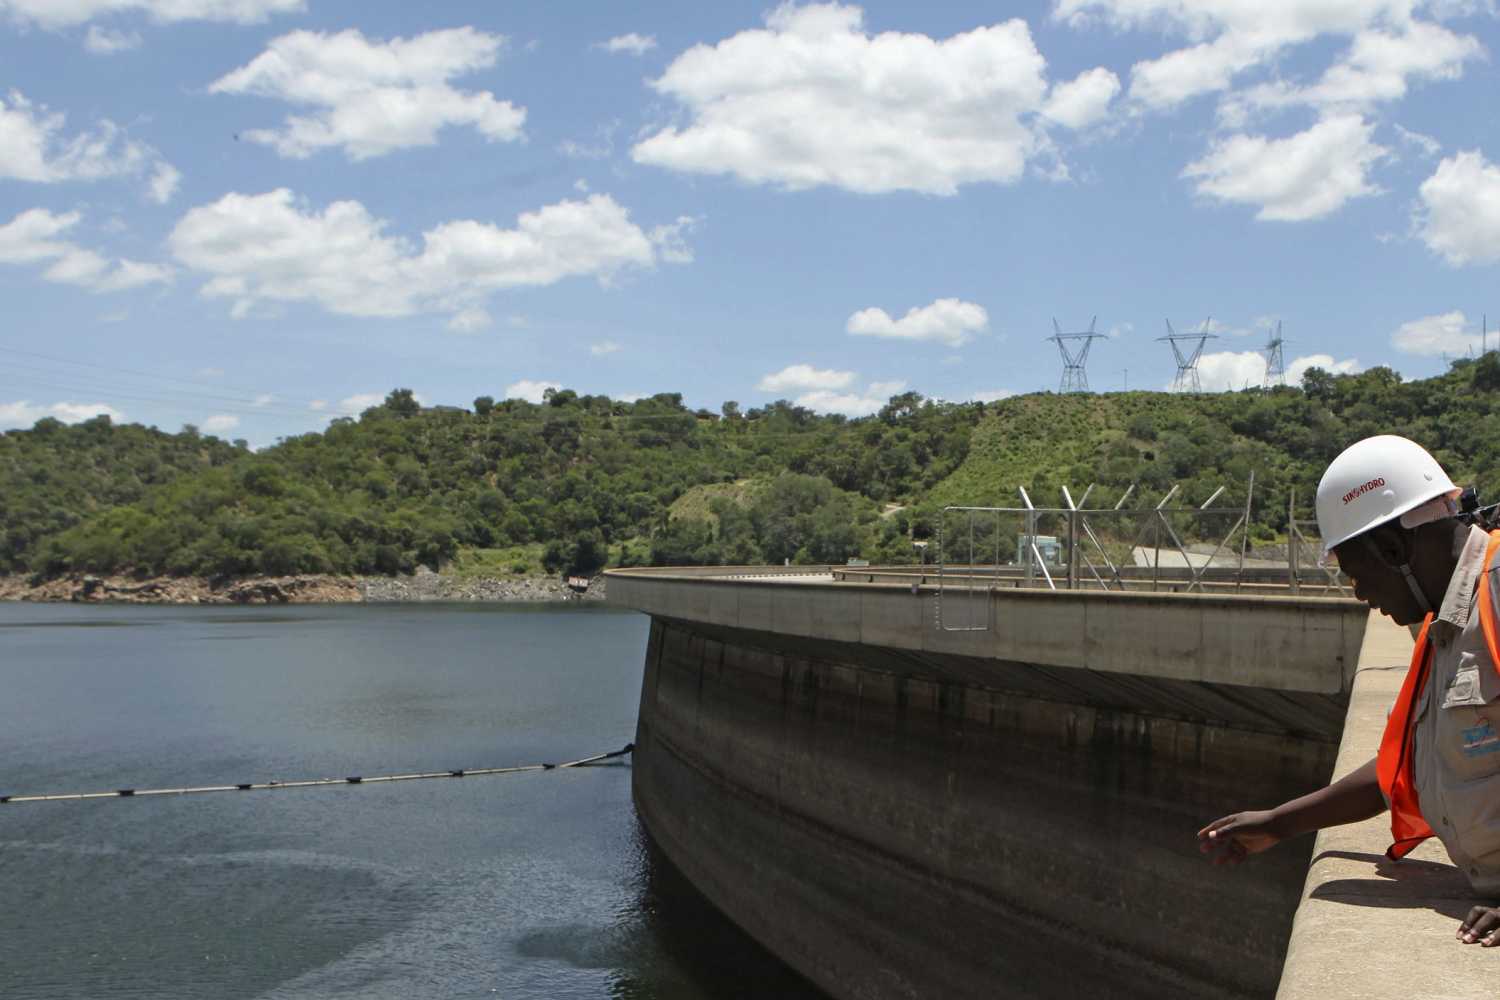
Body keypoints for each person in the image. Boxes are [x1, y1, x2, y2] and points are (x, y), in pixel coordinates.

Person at [1197, 435, 1500, 947]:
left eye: (1356, 574)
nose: (1360, 594)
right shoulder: (1447, 625)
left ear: (1392, 549)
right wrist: (1279, 824)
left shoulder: (1495, 591)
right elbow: (1402, 766)